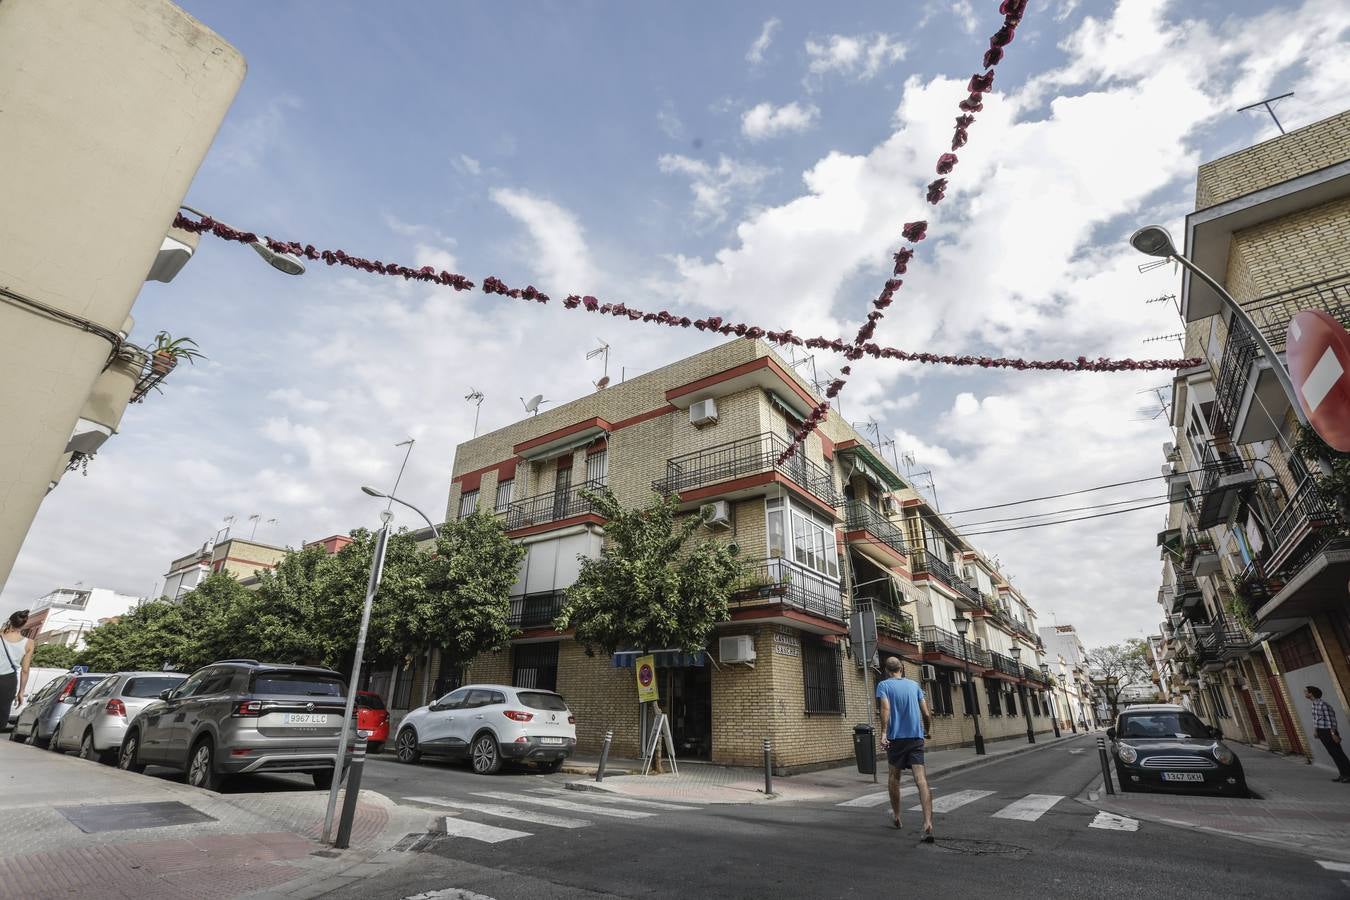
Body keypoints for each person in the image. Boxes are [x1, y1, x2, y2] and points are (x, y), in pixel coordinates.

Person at [876, 655, 934, 841]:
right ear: (902, 668)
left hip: (896, 739)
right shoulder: (915, 685)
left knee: (894, 777)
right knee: (921, 779)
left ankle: (897, 816)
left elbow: (885, 710)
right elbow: (926, 713)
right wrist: (927, 730)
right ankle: (927, 822)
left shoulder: (884, 686)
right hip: (915, 737)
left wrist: (884, 733)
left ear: (886, 670)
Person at [1304, 686, 1350, 783]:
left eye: (1306, 692)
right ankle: (1343, 774)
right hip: (1321, 731)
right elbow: (1316, 719)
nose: (1305, 693)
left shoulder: (1323, 705)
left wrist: (1333, 734)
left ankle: (1348, 775)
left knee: (1338, 753)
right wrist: (1316, 731)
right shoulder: (1314, 704)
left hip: (1329, 731)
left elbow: (1331, 720)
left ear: (1311, 693)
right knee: (1332, 753)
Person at [1, 610, 34, 732]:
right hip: (8, 682)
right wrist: (21, 691)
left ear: (10, 621)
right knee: (2, 713)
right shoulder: (29, 643)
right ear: (23, 625)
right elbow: (25, 670)